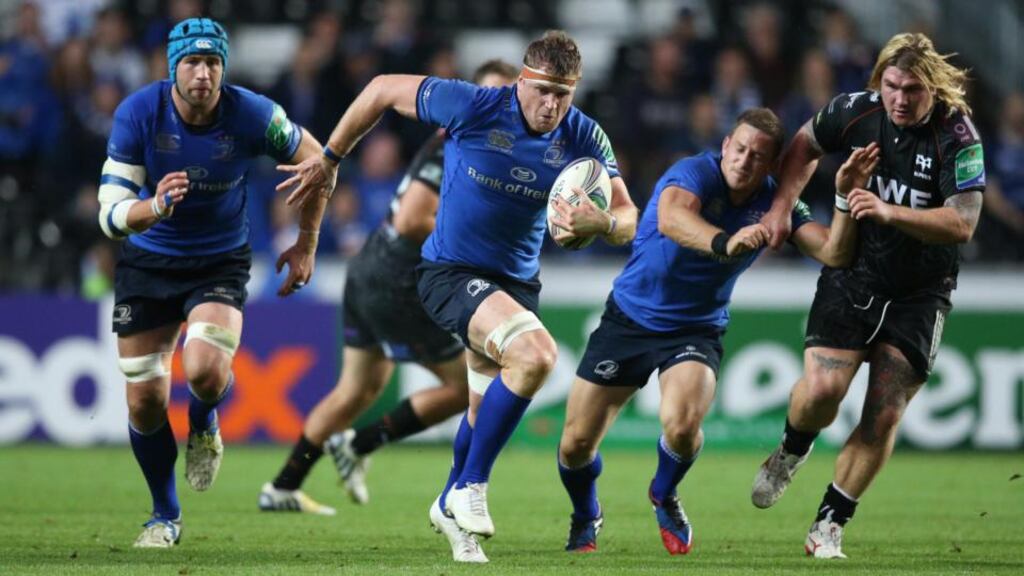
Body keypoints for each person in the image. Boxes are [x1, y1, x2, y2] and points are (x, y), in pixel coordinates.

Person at [278, 30, 639, 563]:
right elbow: (379, 88)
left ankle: (451, 512)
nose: (552, 105)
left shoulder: (585, 135)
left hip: (514, 284)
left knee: (477, 413)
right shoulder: (473, 104)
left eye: (564, 95)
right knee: (535, 355)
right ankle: (469, 489)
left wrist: (603, 220)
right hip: (450, 272)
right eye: (544, 91)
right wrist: (331, 157)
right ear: (523, 80)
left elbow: (631, 218)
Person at [557, 108, 879, 555]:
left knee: (684, 425)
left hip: (697, 327)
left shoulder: (774, 201)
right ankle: (585, 513)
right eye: (740, 148)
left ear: (771, 165)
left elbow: (833, 252)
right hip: (629, 318)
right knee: (574, 444)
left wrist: (845, 197)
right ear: (726, 145)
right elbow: (672, 219)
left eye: (758, 156)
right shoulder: (694, 171)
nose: (744, 161)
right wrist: (725, 242)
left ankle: (664, 493)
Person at [98, 17, 329, 548]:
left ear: (224, 68)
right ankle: (164, 516)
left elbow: (319, 161)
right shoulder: (138, 113)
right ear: (172, 67)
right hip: (148, 263)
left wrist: (307, 242)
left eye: (213, 63)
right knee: (144, 405)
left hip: (219, 260)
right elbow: (109, 213)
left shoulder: (252, 114)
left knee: (203, 370)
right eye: (192, 63)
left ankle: (204, 421)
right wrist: (153, 207)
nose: (203, 74)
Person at [753, 32, 985, 559]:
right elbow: (803, 146)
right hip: (854, 275)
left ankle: (830, 524)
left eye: (914, 90)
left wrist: (888, 211)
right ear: (878, 80)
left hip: (920, 293)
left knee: (884, 413)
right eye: (892, 85)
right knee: (820, 394)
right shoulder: (856, 111)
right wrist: (780, 208)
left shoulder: (958, 135)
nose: (900, 99)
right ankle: (792, 450)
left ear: (935, 90)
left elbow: (964, 222)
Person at [257, 61, 517, 526]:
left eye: (505, 96)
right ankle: (359, 444)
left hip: (371, 269)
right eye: (488, 94)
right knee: (467, 385)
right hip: (397, 279)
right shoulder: (454, 145)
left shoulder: (478, 148)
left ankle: (283, 485)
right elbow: (414, 219)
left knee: (357, 389)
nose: (496, 106)